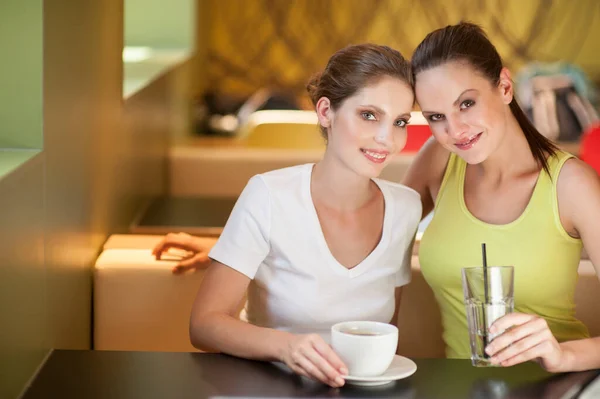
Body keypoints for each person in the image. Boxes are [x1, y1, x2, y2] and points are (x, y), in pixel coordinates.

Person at [153, 44, 422, 388]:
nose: (387, 138)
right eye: (369, 115)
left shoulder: (406, 208)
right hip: (271, 387)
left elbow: (386, 331)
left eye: (400, 121)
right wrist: (286, 348)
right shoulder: (268, 195)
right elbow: (204, 324)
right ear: (326, 111)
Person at [404, 22, 600, 372]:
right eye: (436, 117)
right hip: (460, 389)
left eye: (466, 103)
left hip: (553, 389)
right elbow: (373, 239)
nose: (455, 130)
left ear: (505, 87)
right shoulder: (439, 157)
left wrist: (562, 355)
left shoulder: (571, 185)